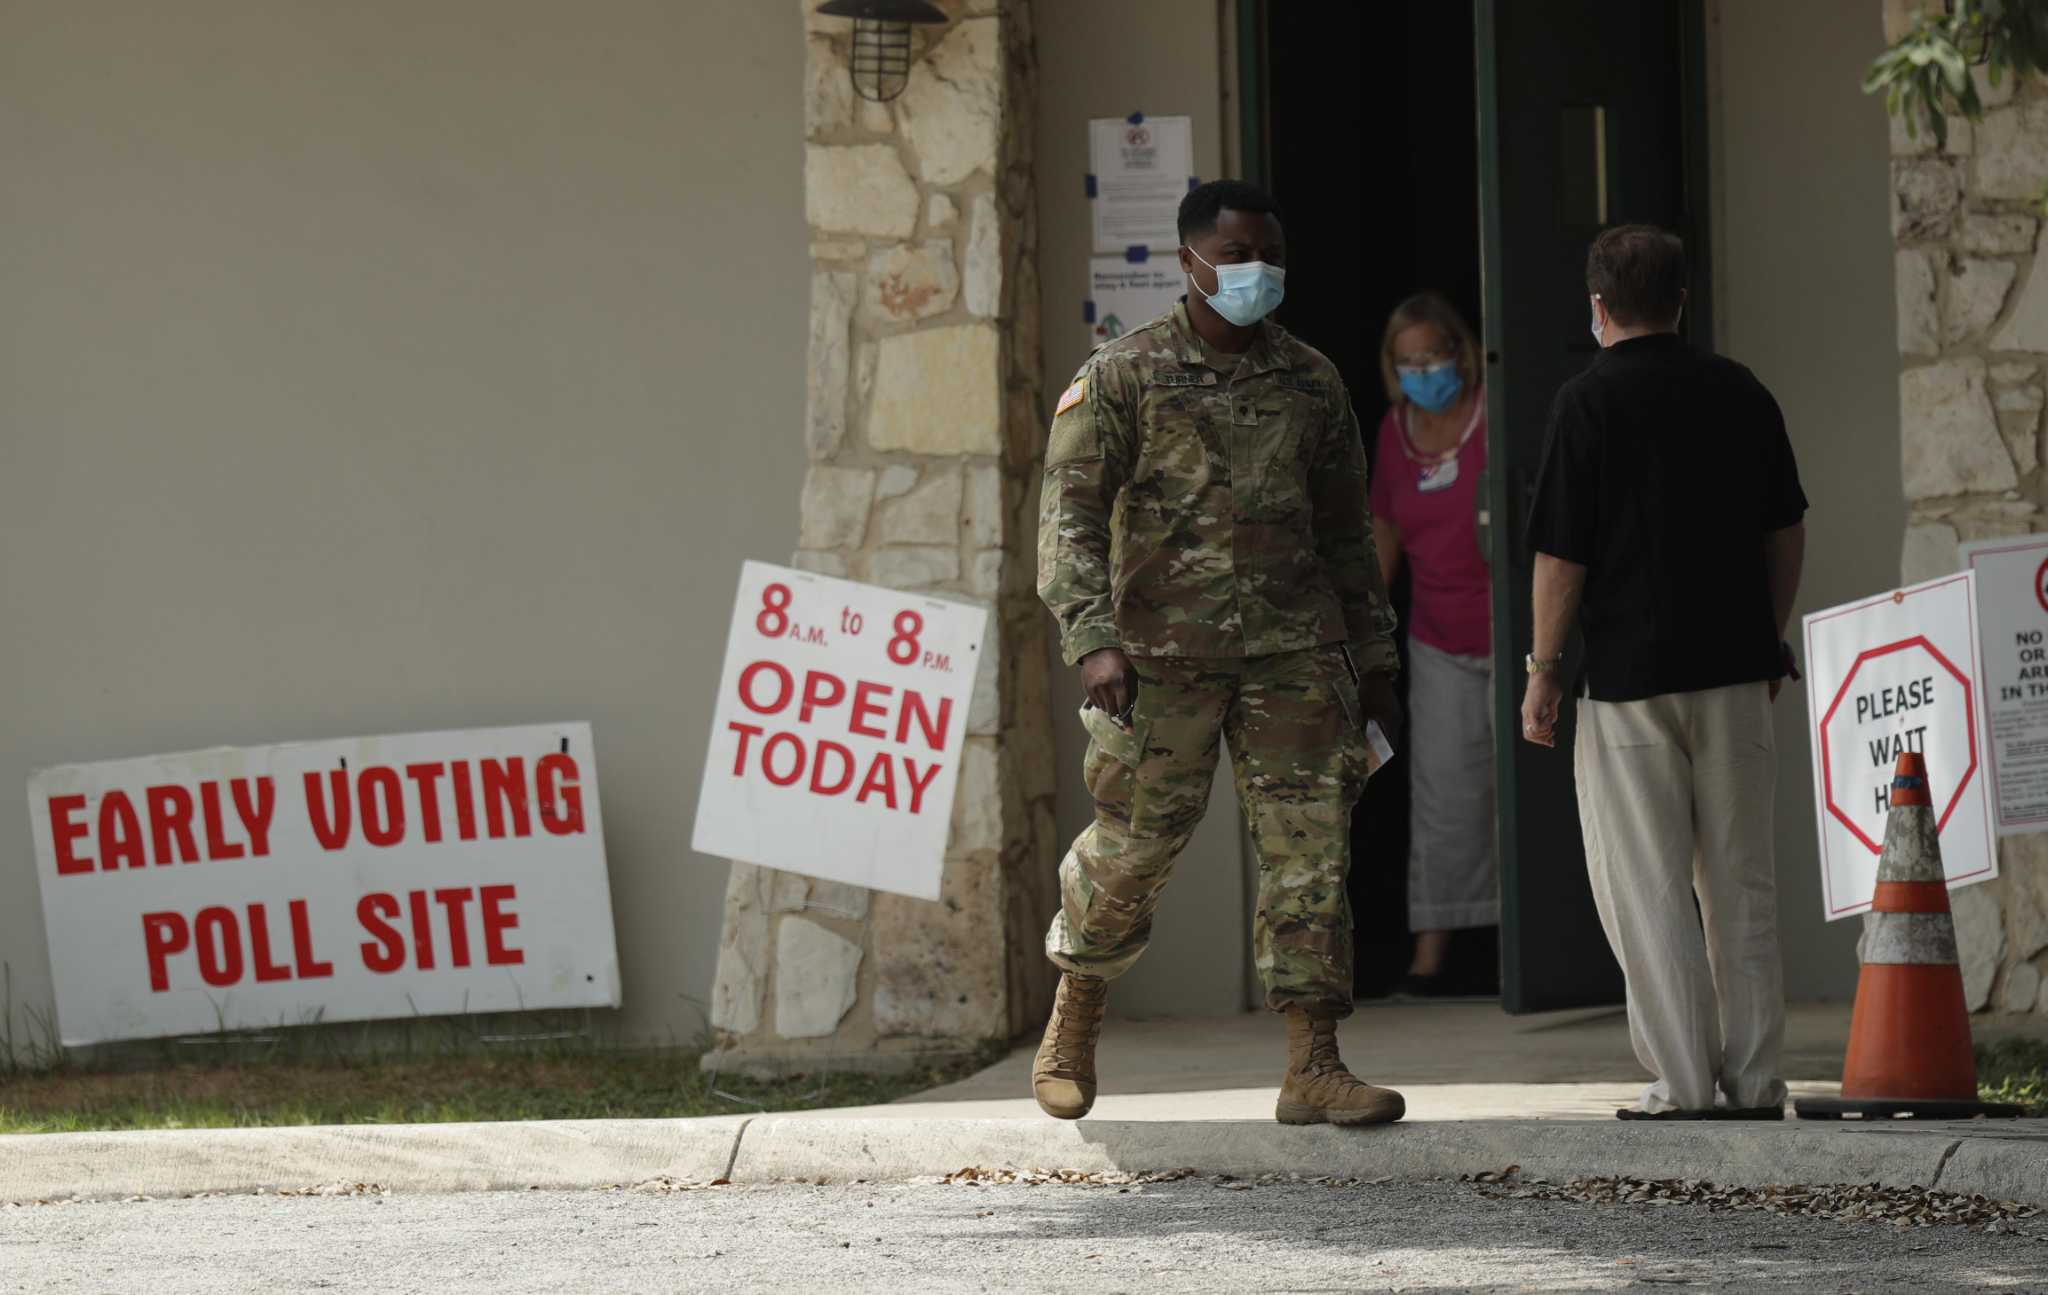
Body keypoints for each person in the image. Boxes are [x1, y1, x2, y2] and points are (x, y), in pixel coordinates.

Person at [1033, 179, 1406, 1127]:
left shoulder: (1312, 382)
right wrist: (1093, 640)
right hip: (1158, 661)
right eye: (1237, 254)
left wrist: (1376, 659)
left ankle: (1313, 1062)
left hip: (1294, 655)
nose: (1255, 272)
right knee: (1133, 849)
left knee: (1310, 856)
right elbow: (1068, 517)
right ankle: (1075, 1014)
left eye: (1269, 255)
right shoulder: (1124, 374)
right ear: (1190, 259)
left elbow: (1347, 538)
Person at [1520, 224, 1807, 1120]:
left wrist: (1542, 670)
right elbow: (1786, 528)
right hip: (1735, 670)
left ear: (1598, 307)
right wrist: (1769, 632)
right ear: (1683, 300)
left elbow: (1561, 559)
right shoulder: (1741, 392)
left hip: (1629, 679)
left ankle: (1683, 1082)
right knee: (1741, 883)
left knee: (1647, 885)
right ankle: (1757, 1079)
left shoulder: (1585, 403)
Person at [1369, 294, 1497, 997]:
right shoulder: (1396, 430)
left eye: (1434, 356)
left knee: (1526, 796)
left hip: (1516, 633)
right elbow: (1383, 528)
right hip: (1437, 637)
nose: (1423, 371)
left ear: (1462, 351)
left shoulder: (1493, 411)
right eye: (1407, 361)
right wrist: (1367, 629)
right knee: (1446, 797)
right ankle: (1432, 958)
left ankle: (1539, 950)